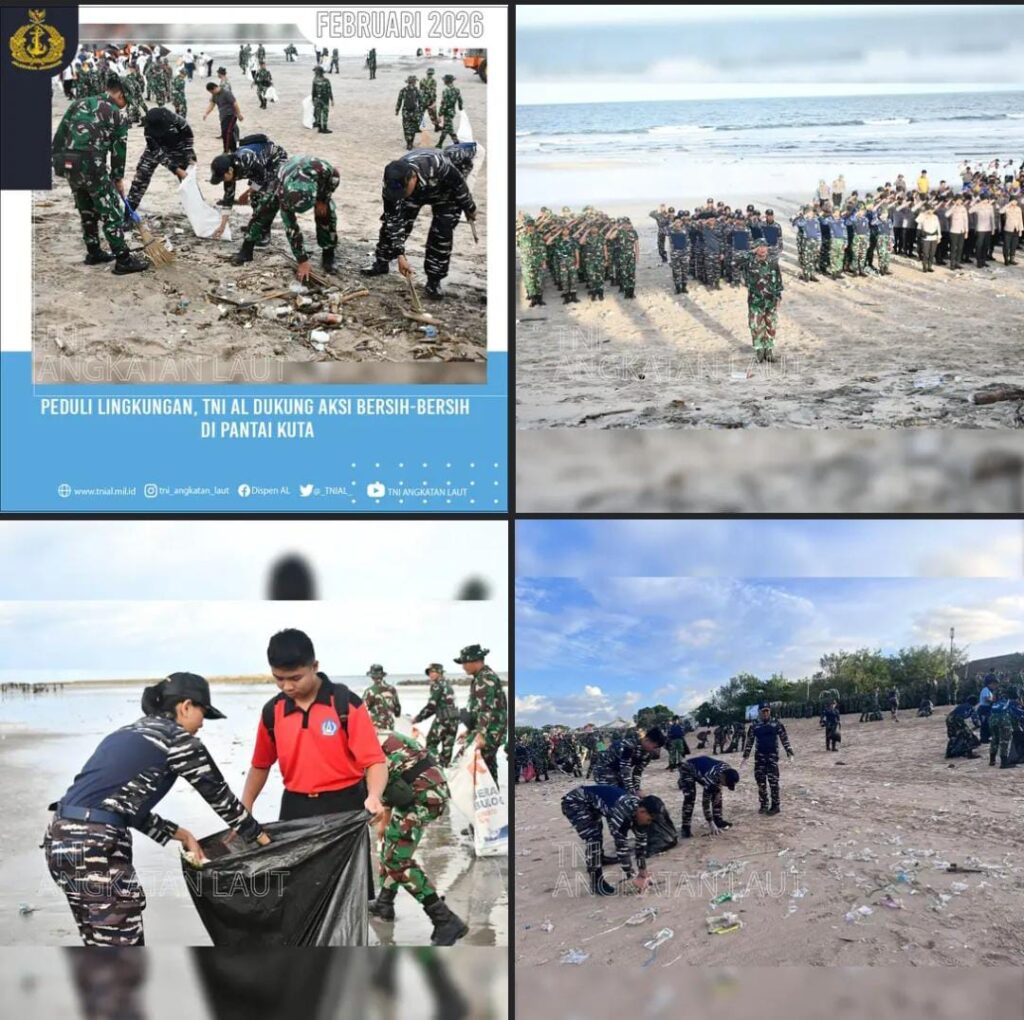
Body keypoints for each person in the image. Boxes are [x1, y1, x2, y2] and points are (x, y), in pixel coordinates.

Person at [43, 673, 270, 945]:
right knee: (121, 948)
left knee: (97, 941)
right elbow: (224, 802)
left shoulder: (128, 732)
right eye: (203, 713)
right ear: (185, 706)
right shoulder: (179, 741)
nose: (201, 725)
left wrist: (181, 834)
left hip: (61, 837)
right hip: (95, 847)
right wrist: (266, 842)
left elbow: (121, 807)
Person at [241, 628, 388, 820]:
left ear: (314, 666)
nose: (287, 686)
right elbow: (261, 764)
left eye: (295, 678)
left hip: (346, 804)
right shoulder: (272, 711)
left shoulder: (346, 704)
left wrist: (374, 796)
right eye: (279, 678)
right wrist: (246, 805)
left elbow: (374, 761)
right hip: (295, 806)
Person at [368, 729, 468, 944]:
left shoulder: (362, 745)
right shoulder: (374, 735)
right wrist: (384, 821)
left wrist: (383, 817)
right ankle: (385, 902)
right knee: (390, 847)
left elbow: (379, 779)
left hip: (423, 796)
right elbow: (390, 778)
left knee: (396, 859)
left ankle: (446, 921)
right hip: (420, 789)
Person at [50, 75, 148, 274]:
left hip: (70, 164)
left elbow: (60, 134)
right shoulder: (117, 115)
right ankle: (123, 260)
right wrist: (118, 178)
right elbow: (119, 151)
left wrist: (58, 160)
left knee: (86, 208)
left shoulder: (79, 103)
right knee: (112, 212)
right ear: (119, 93)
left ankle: (94, 252)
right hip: (93, 169)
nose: (124, 105)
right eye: (125, 100)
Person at [361, 148, 477, 300]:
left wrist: (469, 207)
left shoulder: (437, 165)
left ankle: (434, 281)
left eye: (402, 192)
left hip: (445, 193)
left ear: (412, 178)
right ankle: (381, 263)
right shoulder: (391, 186)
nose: (398, 196)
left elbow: (459, 184)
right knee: (391, 227)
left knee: (442, 233)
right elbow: (393, 221)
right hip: (414, 196)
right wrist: (400, 255)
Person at [230, 154, 339, 280]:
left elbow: (335, 177)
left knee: (327, 214)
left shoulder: (325, 170)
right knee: (263, 211)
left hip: (313, 178)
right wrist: (302, 260)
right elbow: (291, 228)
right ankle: (246, 249)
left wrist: (324, 199)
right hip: (282, 178)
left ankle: (328, 254)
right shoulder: (284, 194)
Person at [560, 785, 664, 895]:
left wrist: (643, 872)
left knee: (596, 831)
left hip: (593, 804)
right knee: (593, 838)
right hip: (576, 802)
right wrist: (632, 877)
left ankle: (601, 858)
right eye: (649, 820)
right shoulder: (621, 815)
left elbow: (641, 844)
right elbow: (621, 846)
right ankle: (596, 882)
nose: (649, 823)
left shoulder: (641, 811)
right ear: (642, 811)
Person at [209, 133, 289, 245]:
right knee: (255, 196)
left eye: (222, 177)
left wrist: (246, 193)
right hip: (258, 168)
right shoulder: (227, 172)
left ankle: (264, 233)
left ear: (230, 170)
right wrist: (222, 226)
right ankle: (256, 225)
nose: (223, 180)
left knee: (263, 198)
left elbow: (263, 177)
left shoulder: (246, 158)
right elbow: (228, 199)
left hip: (275, 160)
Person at [124, 107, 195, 214]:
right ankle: (129, 211)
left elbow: (188, 138)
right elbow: (157, 153)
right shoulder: (148, 130)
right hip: (157, 147)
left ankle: (196, 208)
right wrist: (175, 169)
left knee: (188, 178)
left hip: (178, 147)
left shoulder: (178, 121)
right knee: (142, 175)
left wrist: (189, 156)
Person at [453, 643, 507, 781]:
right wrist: (470, 730)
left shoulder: (485, 678)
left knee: (462, 763)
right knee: (487, 770)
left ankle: (482, 799)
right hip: (489, 731)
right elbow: (479, 709)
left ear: (476, 661)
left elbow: (485, 709)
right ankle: (491, 799)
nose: (463, 666)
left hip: (490, 732)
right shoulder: (482, 676)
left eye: (465, 662)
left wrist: (480, 734)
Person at [741, 703, 794, 815]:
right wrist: (745, 757)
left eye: (767, 711)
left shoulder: (776, 723)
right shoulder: (754, 725)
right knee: (761, 783)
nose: (765, 713)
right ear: (759, 712)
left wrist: (789, 752)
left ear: (770, 711)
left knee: (773, 782)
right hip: (759, 758)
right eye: (763, 711)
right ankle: (764, 804)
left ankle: (775, 806)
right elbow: (749, 742)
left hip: (772, 757)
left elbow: (784, 738)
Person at [736, 237, 783, 362]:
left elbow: (778, 280)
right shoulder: (749, 262)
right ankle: (759, 351)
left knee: (771, 325)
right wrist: (751, 252)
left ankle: (769, 351)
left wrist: (778, 296)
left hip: (770, 300)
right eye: (759, 247)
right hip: (755, 300)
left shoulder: (773, 262)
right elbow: (736, 261)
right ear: (755, 249)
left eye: (764, 246)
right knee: (756, 326)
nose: (762, 249)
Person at [676, 756, 739, 838]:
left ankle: (718, 820)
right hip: (687, 768)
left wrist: (718, 791)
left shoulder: (727, 769)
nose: (725, 786)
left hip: (703, 769)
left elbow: (719, 786)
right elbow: (705, 802)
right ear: (722, 777)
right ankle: (685, 827)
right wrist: (710, 822)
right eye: (725, 784)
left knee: (717, 794)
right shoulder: (711, 777)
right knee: (690, 797)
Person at [203, 79, 242, 207]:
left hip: (231, 115)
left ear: (214, 88)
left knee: (227, 133)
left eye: (211, 91)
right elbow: (212, 104)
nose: (212, 94)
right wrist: (206, 113)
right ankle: (231, 148)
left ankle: (228, 151)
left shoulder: (226, 93)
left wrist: (239, 114)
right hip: (223, 117)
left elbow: (235, 103)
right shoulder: (215, 95)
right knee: (227, 133)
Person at [412, 663, 459, 767]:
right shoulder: (447, 685)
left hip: (443, 720)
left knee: (430, 744)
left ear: (439, 672)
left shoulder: (437, 685)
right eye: (429, 672)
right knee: (448, 746)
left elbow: (432, 705)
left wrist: (418, 718)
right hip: (454, 720)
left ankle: (434, 766)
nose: (430, 675)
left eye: (433, 672)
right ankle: (445, 767)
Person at [596, 727, 666, 793]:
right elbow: (625, 770)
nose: (655, 750)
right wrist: (632, 791)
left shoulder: (647, 754)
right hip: (604, 768)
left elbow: (638, 772)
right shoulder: (628, 745)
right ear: (647, 740)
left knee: (626, 793)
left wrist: (637, 789)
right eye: (655, 746)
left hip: (618, 770)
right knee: (613, 794)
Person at [988, 687, 1023, 768]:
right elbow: (1018, 712)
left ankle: (992, 760)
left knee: (995, 739)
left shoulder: (998, 702)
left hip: (992, 720)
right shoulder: (1011, 702)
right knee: (1005, 741)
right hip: (1003, 721)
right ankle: (1004, 763)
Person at [364, 664, 402, 730]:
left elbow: (363, 710)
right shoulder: (392, 689)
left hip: (376, 727)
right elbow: (397, 710)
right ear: (382, 676)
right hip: (390, 726)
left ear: (372, 677)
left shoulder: (369, 691)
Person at [944, 695, 980, 759]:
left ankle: (949, 753)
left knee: (953, 736)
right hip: (957, 719)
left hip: (949, 718)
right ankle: (969, 754)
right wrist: (977, 725)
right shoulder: (971, 707)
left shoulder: (962, 705)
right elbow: (975, 719)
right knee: (968, 735)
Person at [792, 205, 821, 281]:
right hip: (806, 241)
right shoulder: (804, 221)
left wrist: (819, 243)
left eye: (811, 212)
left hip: (814, 242)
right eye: (808, 212)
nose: (810, 213)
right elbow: (797, 223)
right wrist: (804, 216)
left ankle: (811, 274)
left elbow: (818, 232)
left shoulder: (816, 220)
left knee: (813, 258)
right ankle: (806, 275)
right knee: (806, 259)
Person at [396, 75, 423, 149]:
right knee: (413, 127)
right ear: (414, 82)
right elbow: (421, 102)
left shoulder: (403, 90)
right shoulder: (417, 90)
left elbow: (399, 101)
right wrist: (421, 111)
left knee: (406, 128)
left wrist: (397, 110)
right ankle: (411, 142)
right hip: (415, 112)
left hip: (406, 112)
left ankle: (408, 143)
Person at [436, 74, 463, 147]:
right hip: (452, 111)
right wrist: (460, 107)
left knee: (448, 128)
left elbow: (444, 104)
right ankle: (440, 144)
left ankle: (456, 142)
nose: (443, 81)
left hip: (447, 111)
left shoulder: (446, 90)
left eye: (444, 80)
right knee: (447, 127)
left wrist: (440, 114)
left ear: (446, 81)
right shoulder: (457, 90)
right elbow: (460, 100)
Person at [917, 203, 941, 272]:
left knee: (932, 253)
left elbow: (938, 227)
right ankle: (924, 266)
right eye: (929, 209)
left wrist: (939, 236)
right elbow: (917, 220)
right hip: (926, 237)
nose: (931, 211)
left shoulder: (935, 217)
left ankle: (930, 266)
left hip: (934, 237)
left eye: (932, 210)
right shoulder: (923, 216)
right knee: (925, 253)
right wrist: (924, 213)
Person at [1000, 193, 1022, 265]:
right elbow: (1001, 211)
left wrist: (1021, 230)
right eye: (1014, 201)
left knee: (1014, 245)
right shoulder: (1007, 208)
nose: (1015, 202)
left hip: (1016, 229)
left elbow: (1020, 220)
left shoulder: (1018, 209)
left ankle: (1012, 259)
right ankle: (1006, 259)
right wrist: (1008, 204)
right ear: (1011, 201)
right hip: (1008, 229)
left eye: (1016, 201)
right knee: (1007, 245)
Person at [312, 65, 334, 133]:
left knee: (318, 113)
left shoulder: (315, 80)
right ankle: (324, 128)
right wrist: (332, 99)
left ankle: (319, 127)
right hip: (325, 99)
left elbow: (313, 91)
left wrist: (313, 99)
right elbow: (329, 91)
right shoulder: (326, 80)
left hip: (317, 99)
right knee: (324, 114)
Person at [977, 673, 996, 744]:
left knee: (988, 724)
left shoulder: (989, 690)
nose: (994, 686)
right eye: (993, 684)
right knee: (984, 724)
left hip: (987, 709)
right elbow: (986, 698)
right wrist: (994, 700)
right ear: (990, 684)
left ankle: (986, 738)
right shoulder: (985, 689)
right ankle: (984, 739)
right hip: (984, 709)